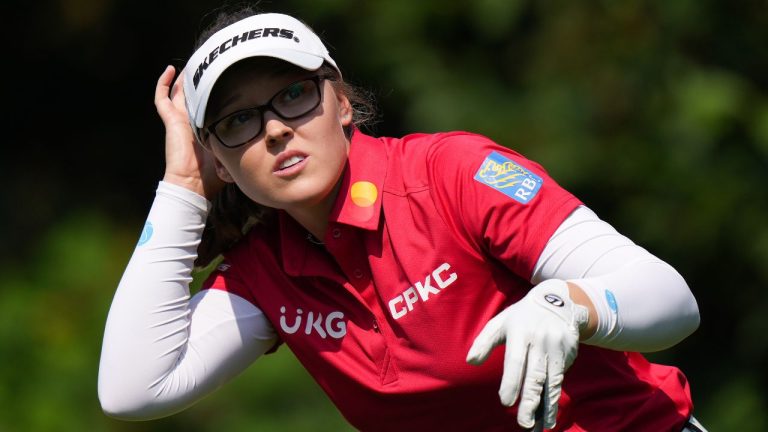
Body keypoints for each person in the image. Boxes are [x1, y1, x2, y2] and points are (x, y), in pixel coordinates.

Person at [97, 6, 706, 432]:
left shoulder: (452, 174)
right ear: (221, 163)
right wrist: (181, 186)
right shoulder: (265, 273)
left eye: (293, 95)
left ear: (341, 102)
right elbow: (132, 390)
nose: (276, 128)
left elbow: (671, 299)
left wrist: (572, 305)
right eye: (237, 121)